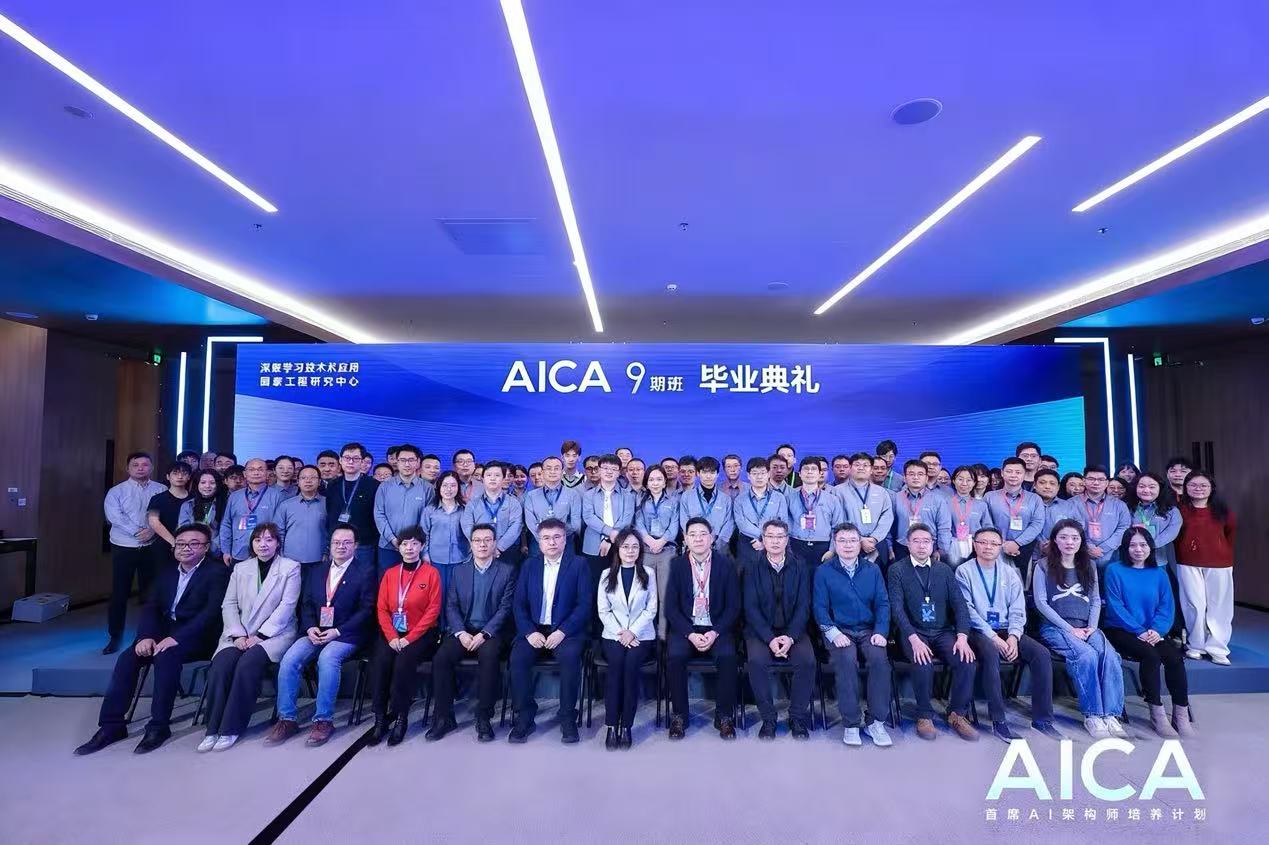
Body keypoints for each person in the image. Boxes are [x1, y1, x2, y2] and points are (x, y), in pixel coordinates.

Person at [76, 524, 230, 755]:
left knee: (166, 656)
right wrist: (145, 636)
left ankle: (158, 726)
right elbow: (152, 607)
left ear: (206, 547)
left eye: (194, 543)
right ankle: (111, 725)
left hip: (199, 637)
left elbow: (211, 614)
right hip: (164, 633)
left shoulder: (217, 572)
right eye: (181, 544)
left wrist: (176, 638)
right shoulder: (167, 571)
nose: (186, 548)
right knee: (129, 657)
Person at [268, 525, 376, 747]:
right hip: (316, 631)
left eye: (346, 542)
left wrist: (337, 631)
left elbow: (367, 610)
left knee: (327, 658)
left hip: (346, 634)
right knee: (289, 660)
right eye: (336, 542)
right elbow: (306, 603)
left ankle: (323, 721)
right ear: (330, 545)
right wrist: (309, 627)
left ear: (355, 546)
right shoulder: (317, 570)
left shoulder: (366, 572)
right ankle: (287, 719)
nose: (341, 546)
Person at [198, 523, 301, 752]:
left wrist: (260, 636)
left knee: (247, 664)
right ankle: (212, 728)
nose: (263, 544)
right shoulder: (241, 568)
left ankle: (231, 728)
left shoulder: (290, 567)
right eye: (258, 540)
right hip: (239, 632)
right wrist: (237, 634)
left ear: (277, 543)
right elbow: (229, 604)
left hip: (275, 634)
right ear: (252, 543)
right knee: (221, 665)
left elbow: (287, 606)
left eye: (269, 539)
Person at [954, 527, 1059, 742]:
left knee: (1041, 654)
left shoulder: (1010, 572)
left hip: (1007, 629)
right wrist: (993, 637)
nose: (988, 547)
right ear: (975, 545)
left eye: (994, 543)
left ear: (1001, 546)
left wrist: (1013, 636)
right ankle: (999, 721)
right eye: (983, 542)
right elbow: (966, 610)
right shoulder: (964, 571)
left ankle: (1042, 720)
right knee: (991, 653)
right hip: (978, 630)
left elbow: (1018, 608)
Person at [1032, 519, 1126, 739]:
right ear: (1055, 540)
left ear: (1081, 541)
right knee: (1086, 655)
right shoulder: (1043, 566)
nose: (1069, 542)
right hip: (1056, 627)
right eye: (1063, 537)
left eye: (1075, 538)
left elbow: (1095, 600)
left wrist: (1092, 627)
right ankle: (1093, 715)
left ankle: (1111, 714)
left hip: (1087, 627)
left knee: (1110, 656)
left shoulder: (1089, 565)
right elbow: (1041, 603)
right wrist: (1069, 629)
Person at [426, 524, 517, 743]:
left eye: (487, 540)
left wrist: (484, 634)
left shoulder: (507, 571)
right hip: (463, 631)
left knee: (489, 656)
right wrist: (461, 633)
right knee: (441, 658)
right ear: (471, 544)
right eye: (477, 540)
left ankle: (483, 717)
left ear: (494, 543)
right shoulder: (460, 571)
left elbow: (505, 608)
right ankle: (444, 717)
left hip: (492, 633)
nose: (482, 545)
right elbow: (451, 606)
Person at [887, 524, 978, 741]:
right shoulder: (897, 570)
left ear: (932, 544)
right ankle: (924, 715)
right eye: (916, 541)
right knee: (923, 661)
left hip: (942, 631)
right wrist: (913, 638)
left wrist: (962, 637)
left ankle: (957, 714)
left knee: (966, 660)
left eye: (926, 541)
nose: (921, 546)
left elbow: (960, 605)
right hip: (912, 632)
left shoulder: (944, 570)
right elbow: (896, 609)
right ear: (908, 544)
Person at [1102, 527, 1194, 738]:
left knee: (1174, 658)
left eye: (1143, 545)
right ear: (1125, 548)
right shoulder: (1114, 570)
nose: (1138, 549)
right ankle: (1157, 713)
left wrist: (1156, 630)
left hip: (1153, 631)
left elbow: (1166, 607)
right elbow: (1116, 606)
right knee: (1150, 656)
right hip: (1121, 629)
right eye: (1133, 545)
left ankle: (1180, 714)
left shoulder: (1159, 573)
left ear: (1150, 547)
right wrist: (1140, 631)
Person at [509, 518, 591, 744]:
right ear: (539, 541)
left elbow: (584, 605)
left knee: (570, 657)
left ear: (565, 539)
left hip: (566, 631)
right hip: (534, 630)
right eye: (546, 538)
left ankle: (567, 717)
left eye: (557, 537)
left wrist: (562, 631)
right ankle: (525, 716)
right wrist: (529, 632)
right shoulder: (529, 565)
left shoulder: (579, 564)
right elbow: (519, 604)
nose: (552, 542)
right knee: (518, 658)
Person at [814, 523, 892, 747]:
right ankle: (851, 723)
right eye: (842, 541)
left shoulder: (872, 570)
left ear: (860, 543)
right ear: (835, 544)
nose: (848, 545)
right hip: (839, 630)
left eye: (852, 540)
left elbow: (883, 604)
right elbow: (819, 607)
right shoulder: (824, 571)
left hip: (868, 630)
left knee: (879, 661)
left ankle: (875, 722)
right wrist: (833, 632)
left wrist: (881, 631)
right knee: (846, 661)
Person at [665, 517, 741, 740]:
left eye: (703, 534)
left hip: (716, 627)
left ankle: (724, 716)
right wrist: (690, 634)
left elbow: (733, 606)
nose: (698, 539)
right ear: (685, 539)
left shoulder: (726, 564)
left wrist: (715, 632)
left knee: (727, 656)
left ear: (712, 537)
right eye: (693, 535)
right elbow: (671, 607)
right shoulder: (677, 565)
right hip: (687, 628)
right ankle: (679, 716)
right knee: (675, 656)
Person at [367, 526, 443, 746]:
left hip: (422, 633)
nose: (409, 548)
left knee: (404, 661)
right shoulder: (390, 574)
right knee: (380, 661)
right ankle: (380, 717)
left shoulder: (431, 573)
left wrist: (409, 638)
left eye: (414, 543)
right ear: (399, 547)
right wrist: (392, 637)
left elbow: (433, 610)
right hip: (393, 632)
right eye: (405, 544)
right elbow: (382, 608)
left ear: (422, 546)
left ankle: (401, 717)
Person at [743, 519, 814, 740]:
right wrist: (770, 638)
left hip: (793, 630)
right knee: (756, 661)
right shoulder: (751, 566)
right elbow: (750, 607)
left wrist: (790, 637)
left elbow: (804, 605)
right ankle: (768, 718)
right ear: (763, 540)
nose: (775, 541)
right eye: (770, 536)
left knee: (807, 661)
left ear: (787, 540)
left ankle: (797, 717)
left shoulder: (799, 565)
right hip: (761, 631)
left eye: (780, 537)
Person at [596, 529, 658, 750]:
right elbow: (603, 611)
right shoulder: (606, 575)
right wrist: (622, 633)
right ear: (618, 549)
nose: (630, 551)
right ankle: (612, 725)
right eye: (625, 547)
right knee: (616, 666)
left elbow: (651, 609)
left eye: (635, 547)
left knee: (631, 666)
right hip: (614, 634)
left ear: (640, 550)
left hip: (641, 635)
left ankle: (627, 726)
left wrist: (633, 632)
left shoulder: (648, 573)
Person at [102, 452, 168, 654]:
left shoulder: (161, 489)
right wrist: (138, 531)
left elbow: (165, 515)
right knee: (119, 593)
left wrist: (152, 531)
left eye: (145, 464)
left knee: (152, 593)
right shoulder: (116, 491)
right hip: (124, 546)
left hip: (152, 547)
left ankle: (151, 635)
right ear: (128, 468)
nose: (140, 468)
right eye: (135, 464)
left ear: (152, 467)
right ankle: (115, 637)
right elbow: (114, 516)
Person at [1175, 470, 1237, 665]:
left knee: (1220, 606)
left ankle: (1218, 648)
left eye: (1203, 485)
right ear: (1186, 488)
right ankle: (1196, 645)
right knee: (1194, 605)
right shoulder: (1179, 510)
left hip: (1220, 563)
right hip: (1187, 562)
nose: (1198, 489)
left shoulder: (1223, 511)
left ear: (1212, 488)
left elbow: (1230, 533)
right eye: (1193, 485)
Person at [373, 444, 435, 574]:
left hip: (415, 548)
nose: (407, 464)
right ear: (397, 462)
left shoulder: (428, 489)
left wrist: (413, 543)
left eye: (411, 460)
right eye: (403, 460)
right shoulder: (384, 487)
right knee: (387, 582)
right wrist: (393, 539)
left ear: (418, 462)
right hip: (388, 547)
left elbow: (428, 520)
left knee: (414, 583)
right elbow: (379, 515)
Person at [633, 465, 680, 638]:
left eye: (659, 479)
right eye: (651, 479)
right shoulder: (640, 500)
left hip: (666, 550)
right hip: (646, 550)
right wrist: (649, 540)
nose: (655, 483)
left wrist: (661, 541)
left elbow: (674, 525)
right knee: (645, 593)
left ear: (665, 481)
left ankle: (663, 635)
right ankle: (645, 633)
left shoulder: (673, 501)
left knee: (664, 595)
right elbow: (638, 523)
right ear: (646, 482)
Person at [582, 455, 636, 588]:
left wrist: (609, 539)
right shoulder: (588, 495)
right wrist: (610, 532)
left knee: (618, 584)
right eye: (605, 468)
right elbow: (588, 517)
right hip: (593, 545)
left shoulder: (628, 496)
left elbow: (626, 519)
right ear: (599, 470)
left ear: (619, 472)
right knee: (593, 585)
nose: (609, 471)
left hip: (619, 544)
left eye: (614, 469)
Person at [832, 453, 894, 567]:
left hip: (877, 544)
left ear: (871, 470)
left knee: (877, 576)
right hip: (849, 544)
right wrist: (859, 539)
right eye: (857, 465)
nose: (861, 468)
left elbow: (887, 517)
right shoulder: (837, 492)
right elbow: (838, 519)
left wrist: (874, 539)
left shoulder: (881, 492)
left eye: (865, 465)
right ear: (850, 468)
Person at [325, 443, 381, 570]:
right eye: (347, 458)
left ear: (362, 461)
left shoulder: (374, 485)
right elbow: (329, 511)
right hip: (337, 543)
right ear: (340, 460)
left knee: (363, 578)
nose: (350, 462)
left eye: (355, 458)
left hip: (363, 544)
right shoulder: (333, 485)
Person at [983, 457, 1045, 572]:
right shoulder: (989, 497)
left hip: (1023, 549)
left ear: (1024, 474)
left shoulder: (1035, 499)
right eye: (1009, 471)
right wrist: (999, 542)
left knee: (1020, 581)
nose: (1013, 475)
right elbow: (986, 522)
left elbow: (1037, 524)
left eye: (1018, 472)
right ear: (1002, 473)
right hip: (994, 548)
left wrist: (1017, 543)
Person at [733, 457, 790, 575]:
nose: (759, 477)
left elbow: (783, 522)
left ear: (768, 474)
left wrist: (766, 540)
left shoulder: (779, 498)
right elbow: (741, 523)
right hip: (748, 543)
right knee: (746, 578)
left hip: (773, 543)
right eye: (755, 473)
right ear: (748, 475)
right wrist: (762, 536)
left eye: (763, 473)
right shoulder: (740, 499)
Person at [1067, 465, 1131, 571]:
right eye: (1091, 479)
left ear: (1106, 482)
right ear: (1084, 481)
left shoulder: (1119, 505)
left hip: (1112, 558)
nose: (1096, 483)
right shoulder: (1070, 503)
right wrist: (1088, 546)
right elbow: (1068, 528)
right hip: (1081, 557)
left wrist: (1104, 547)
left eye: (1101, 479)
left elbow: (1124, 527)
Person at [460, 462, 525, 567]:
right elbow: (467, 526)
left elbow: (516, 526)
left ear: (503, 479)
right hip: (480, 551)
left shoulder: (513, 502)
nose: (493, 478)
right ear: (483, 479)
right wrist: (481, 545)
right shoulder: (473, 503)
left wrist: (499, 547)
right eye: (489, 475)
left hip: (507, 551)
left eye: (497, 475)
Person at [220, 458, 283, 565]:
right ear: (245, 474)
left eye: (260, 469)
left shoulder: (277, 496)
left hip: (266, 552)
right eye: (251, 469)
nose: (256, 472)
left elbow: (280, 528)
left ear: (267, 473)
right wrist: (226, 551)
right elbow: (226, 524)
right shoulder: (234, 496)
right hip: (239, 551)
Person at [275, 465, 328, 586]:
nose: (308, 481)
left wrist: (327, 553)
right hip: (290, 561)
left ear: (319, 481)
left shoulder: (327, 503)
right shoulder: (286, 505)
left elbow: (332, 531)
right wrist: (281, 556)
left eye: (312, 477)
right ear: (298, 482)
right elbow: (279, 533)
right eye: (304, 478)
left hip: (319, 560)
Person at [785, 457, 844, 566]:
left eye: (813, 469)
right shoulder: (789, 498)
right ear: (800, 474)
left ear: (820, 473)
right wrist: (788, 548)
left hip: (823, 547)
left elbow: (837, 527)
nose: (810, 472)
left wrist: (832, 550)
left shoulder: (832, 499)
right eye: (806, 469)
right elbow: (785, 524)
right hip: (796, 545)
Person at [421, 471, 469, 602]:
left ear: (458, 487)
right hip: (435, 559)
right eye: (445, 485)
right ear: (439, 487)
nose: (449, 489)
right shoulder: (430, 510)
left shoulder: (465, 509)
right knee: (438, 594)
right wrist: (425, 554)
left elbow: (471, 534)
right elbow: (424, 534)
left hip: (460, 558)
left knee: (456, 596)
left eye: (453, 485)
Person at [891, 460, 952, 562]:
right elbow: (890, 526)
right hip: (902, 547)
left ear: (926, 478)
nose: (916, 477)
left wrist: (941, 550)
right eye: (911, 474)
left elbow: (944, 527)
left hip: (930, 548)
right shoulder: (895, 498)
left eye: (920, 474)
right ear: (904, 478)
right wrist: (889, 547)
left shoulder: (938, 500)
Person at [524, 456, 583, 556]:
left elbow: (575, 523)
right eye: (549, 468)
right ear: (542, 472)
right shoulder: (531, 496)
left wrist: (557, 537)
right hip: (538, 542)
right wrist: (544, 538)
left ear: (562, 472)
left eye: (556, 468)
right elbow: (530, 522)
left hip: (565, 542)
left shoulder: (573, 494)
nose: (553, 471)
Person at [677, 456, 735, 553]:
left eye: (712, 472)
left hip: (719, 546)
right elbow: (684, 521)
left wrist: (717, 543)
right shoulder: (687, 496)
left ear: (717, 474)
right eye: (704, 472)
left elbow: (729, 523)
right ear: (698, 473)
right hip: (694, 544)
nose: (708, 476)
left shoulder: (725, 499)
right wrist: (695, 540)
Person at [1125, 472, 1182, 568]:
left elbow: (1171, 533)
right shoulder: (1127, 507)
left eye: (1152, 487)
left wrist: (1149, 545)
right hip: (1131, 559)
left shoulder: (1171, 511)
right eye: (1141, 486)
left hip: (1158, 559)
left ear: (1160, 488)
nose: (1146, 490)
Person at [146, 461, 192, 573]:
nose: (180, 476)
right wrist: (175, 543)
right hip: (164, 546)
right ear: (168, 476)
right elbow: (154, 522)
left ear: (189, 477)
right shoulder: (157, 498)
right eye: (175, 473)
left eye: (184, 473)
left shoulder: (195, 498)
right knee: (163, 577)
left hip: (190, 546)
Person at [941, 465, 992, 566]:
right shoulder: (944, 503)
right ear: (953, 481)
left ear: (974, 483)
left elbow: (988, 528)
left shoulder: (981, 505)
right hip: (951, 550)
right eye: (960, 479)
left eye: (969, 480)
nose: (964, 483)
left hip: (975, 549)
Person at [180, 469, 227, 559]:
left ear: (218, 485)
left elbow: (226, 530)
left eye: (212, 483)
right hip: (193, 551)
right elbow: (184, 529)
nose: (207, 486)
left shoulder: (226, 504)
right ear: (197, 484)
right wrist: (196, 546)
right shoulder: (188, 505)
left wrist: (212, 547)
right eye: (203, 482)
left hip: (218, 551)